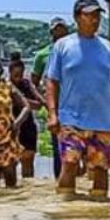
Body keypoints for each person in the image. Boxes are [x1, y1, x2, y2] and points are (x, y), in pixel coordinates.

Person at [45, 0, 110, 200]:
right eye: (89, 15)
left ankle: (99, 214)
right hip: (71, 118)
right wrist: (52, 114)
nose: (94, 20)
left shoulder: (107, 48)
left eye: (97, 15)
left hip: (101, 120)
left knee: (100, 168)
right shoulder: (62, 46)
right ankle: (65, 209)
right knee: (69, 163)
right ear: (77, 17)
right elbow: (51, 81)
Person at [0, 57, 31, 188]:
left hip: (9, 135)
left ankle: (11, 207)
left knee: (10, 174)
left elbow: (26, 107)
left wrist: (17, 124)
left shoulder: (8, 86)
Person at [33, 17, 70, 179]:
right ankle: (59, 181)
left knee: (79, 144)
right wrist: (44, 101)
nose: (59, 32)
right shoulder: (42, 55)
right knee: (58, 146)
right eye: (56, 29)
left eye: (62, 28)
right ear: (51, 32)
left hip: (75, 103)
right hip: (55, 105)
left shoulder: (74, 50)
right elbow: (33, 82)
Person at [7, 52, 44, 179]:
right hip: (10, 127)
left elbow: (40, 104)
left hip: (28, 126)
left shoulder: (27, 84)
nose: (19, 78)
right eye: (16, 75)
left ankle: (29, 190)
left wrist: (21, 101)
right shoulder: (5, 86)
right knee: (8, 165)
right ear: (9, 72)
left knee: (28, 163)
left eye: (21, 74)